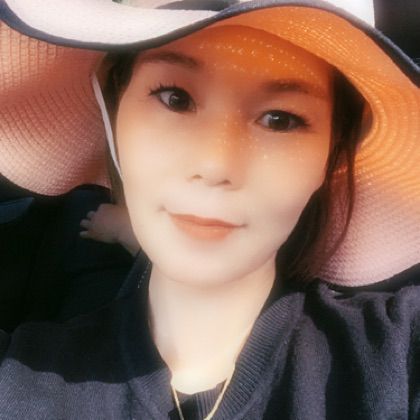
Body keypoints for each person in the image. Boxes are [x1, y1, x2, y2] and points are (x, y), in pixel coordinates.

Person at [0, 0, 419, 419]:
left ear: (331, 156)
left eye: (280, 119)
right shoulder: (18, 381)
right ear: (114, 110)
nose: (215, 166)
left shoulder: (398, 356)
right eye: (175, 99)